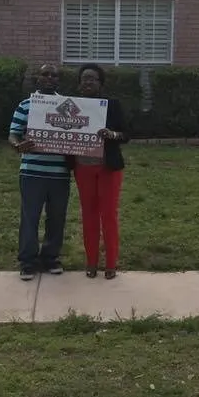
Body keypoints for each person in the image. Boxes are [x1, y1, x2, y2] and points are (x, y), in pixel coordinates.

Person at [8, 64, 70, 281]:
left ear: (58, 80)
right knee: (30, 217)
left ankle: (50, 258)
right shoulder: (25, 105)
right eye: (45, 74)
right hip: (32, 171)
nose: (50, 78)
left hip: (60, 172)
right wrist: (17, 145)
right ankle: (28, 261)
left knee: (57, 217)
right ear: (38, 78)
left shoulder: (68, 105)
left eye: (54, 75)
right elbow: (13, 134)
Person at [71, 63, 128, 280]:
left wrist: (111, 134)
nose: (88, 82)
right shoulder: (72, 106)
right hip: (82, 167)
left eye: (92, 78)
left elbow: (126, 134)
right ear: (79, 84)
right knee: (89, 215)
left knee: (109, 215)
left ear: (100, 83)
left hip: (107, 167)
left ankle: (111, 262)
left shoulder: (112, 105)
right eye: (84, 78)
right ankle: (91, 262)